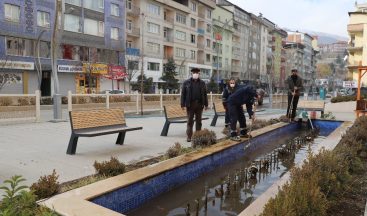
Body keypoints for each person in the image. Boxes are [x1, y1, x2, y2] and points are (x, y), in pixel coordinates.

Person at [181, 68, 208, 142]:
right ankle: (189, 136)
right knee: (190, 121)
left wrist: (206, 104)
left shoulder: (202, 83)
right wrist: (182, 104)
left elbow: (205, 94)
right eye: (194, 72)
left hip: (199, 104)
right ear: (192, 73)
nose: (195, 74)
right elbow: (183, 94)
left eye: (197, 73)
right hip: (190, 105)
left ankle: (197, 136)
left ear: (199, 74)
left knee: (199, 121)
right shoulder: (186, 82)